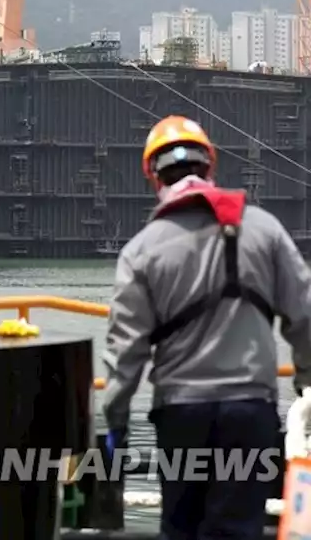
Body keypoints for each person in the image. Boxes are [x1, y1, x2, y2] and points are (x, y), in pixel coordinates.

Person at [104, 115, 311, 539]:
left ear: (153, 177)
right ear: (210, 167)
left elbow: (126, 351)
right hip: (251, 413)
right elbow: (304, 315)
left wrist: (115, 422)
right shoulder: (264, 230)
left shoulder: (142, 251)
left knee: (181, 528)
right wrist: (307, 385)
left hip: (181, 415)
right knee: (238, 528)